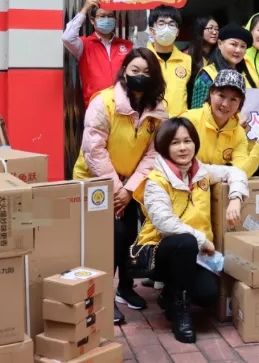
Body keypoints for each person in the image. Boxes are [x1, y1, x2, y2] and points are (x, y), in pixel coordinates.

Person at [132, 117, 248, 343]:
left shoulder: (201, 172)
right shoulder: (156, 180)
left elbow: (234, 173)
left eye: (187, 141)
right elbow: (165, 223)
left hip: (195, 254)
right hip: (160, 251)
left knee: (208, 295)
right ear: (165, 146)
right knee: (185, 241)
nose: (183, 147)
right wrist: (202, 240)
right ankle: (180, 311)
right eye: (175, 142)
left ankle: (170, 294)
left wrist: (236, 198)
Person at [74, 47, 168, 324]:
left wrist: (128, 189)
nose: (140, 76)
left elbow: (153, 153)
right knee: (109, 239)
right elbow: (94, 150)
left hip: (129, 185)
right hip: (96, 182)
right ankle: (102, 297)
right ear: (124, 71)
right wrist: (117, 189)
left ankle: (125, 288)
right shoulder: (103, 102)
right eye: (135, 70)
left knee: (129, 237)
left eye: (147, 72)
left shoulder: (157, 110)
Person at [183, 69, 259, 176]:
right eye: (221, 96)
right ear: (211, 92)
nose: (225, 104)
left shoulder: (239, 133)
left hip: (217, 184)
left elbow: (243, 172)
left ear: (240, 103)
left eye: (233, 99)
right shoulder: (188, 121)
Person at [62, 0, 133, 106]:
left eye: (110, 16)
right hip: (96, 106)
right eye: (102, 16)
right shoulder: (84, 45)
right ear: (92, 20)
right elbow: (67, 37)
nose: (106, 19)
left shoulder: (127, 46)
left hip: (124, 105)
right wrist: (85, 9)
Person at [190, 23, 256, 110]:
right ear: (220, 44)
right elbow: (198, 112)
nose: (238, 50)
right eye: (233, 44)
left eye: (243, 46)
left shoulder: (246, 74)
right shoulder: (207, 76)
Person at [147, 5, 192, 117]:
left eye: (172, 24)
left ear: (177, 32)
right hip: (150, 122)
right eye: (161, 23)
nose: (167, 28)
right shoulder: (143, 59)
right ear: (152, 31)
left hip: (179, 123)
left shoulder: (187, 60)